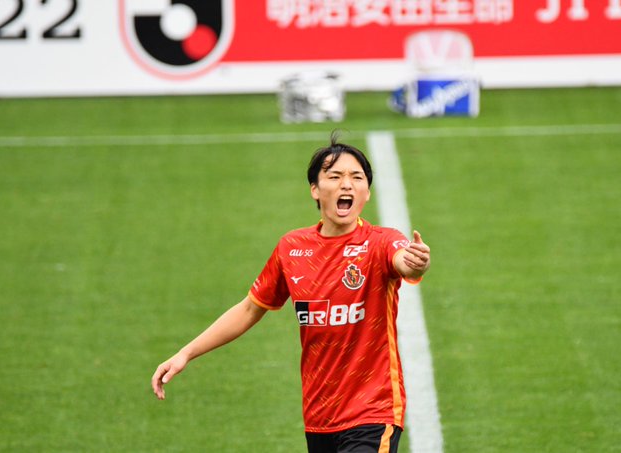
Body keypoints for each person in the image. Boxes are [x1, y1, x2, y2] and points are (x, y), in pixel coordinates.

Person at [151, 132, 431, 452]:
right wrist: (185, 353)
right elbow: (249, 308)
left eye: (357, 177)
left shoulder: (381, 242)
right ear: (315, 189)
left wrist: (416, 262)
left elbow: (404, 261)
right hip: (319, 417)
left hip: (373, 412)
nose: (347, 184)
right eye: (335, 176)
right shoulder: (292, 248)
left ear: (366, 192)